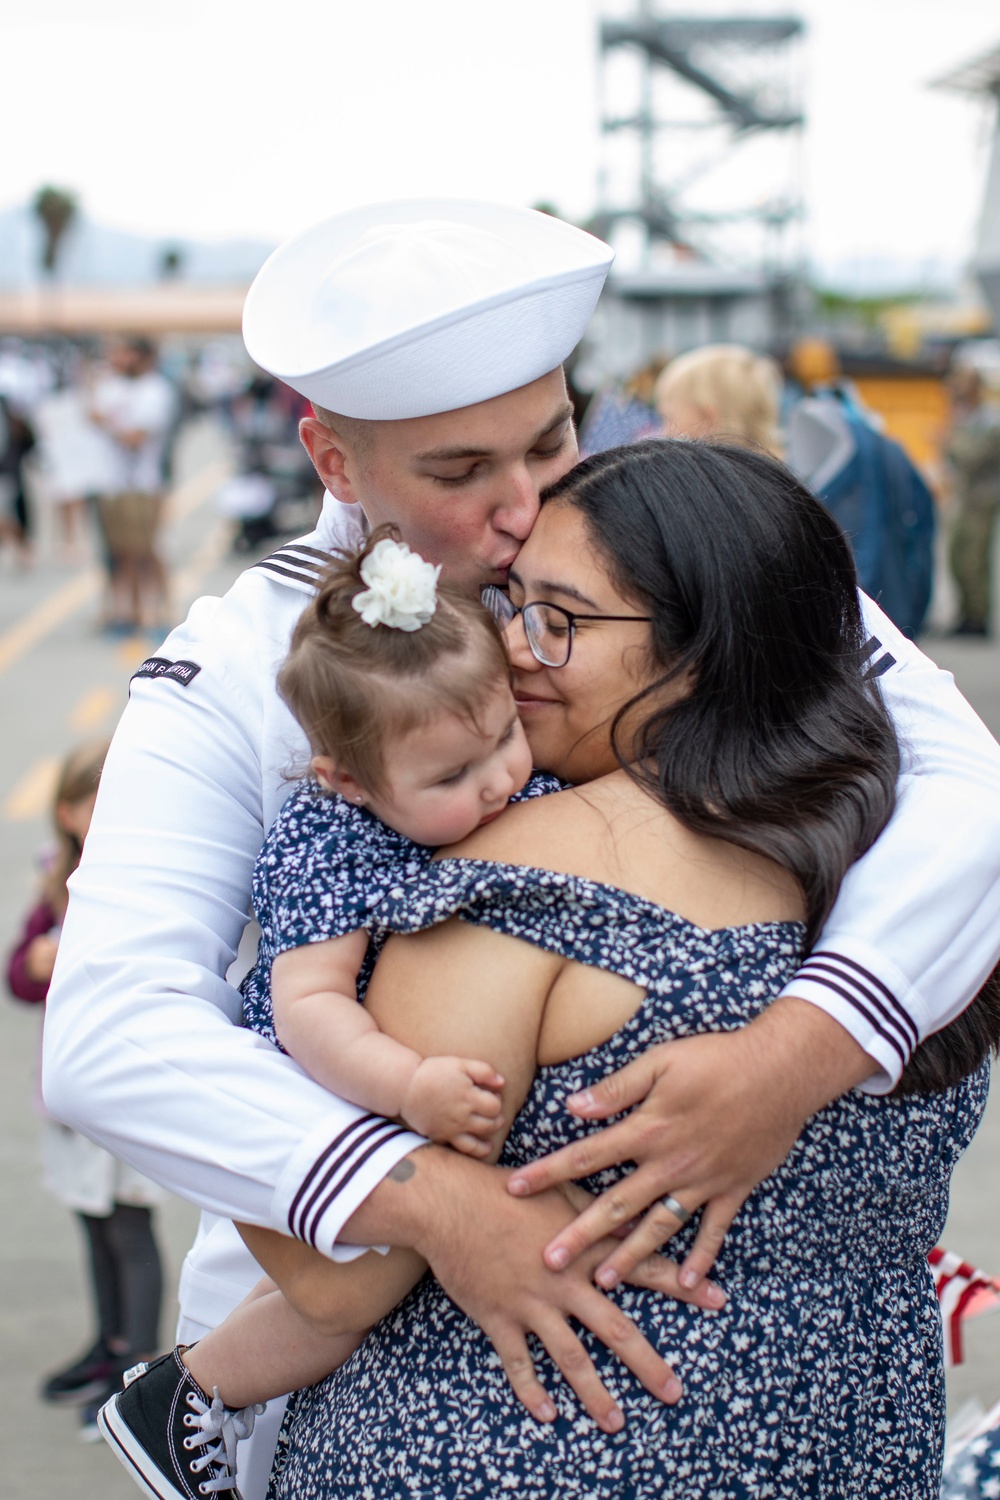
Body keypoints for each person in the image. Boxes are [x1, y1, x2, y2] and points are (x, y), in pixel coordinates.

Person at [42, 203, 1000, 1499]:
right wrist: (438, 1206)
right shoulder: (235, 671)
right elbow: (111, 1035)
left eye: (549, 441)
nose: (521, 507)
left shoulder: (641, 546)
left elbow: (965, 781)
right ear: (331, 455)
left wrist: (790, 1060)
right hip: (350, 1297)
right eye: (456, 471)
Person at [189, 440, 995, 1495]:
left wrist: (256, 1034)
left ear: (701, 646)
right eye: (510, 605)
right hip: (850, 1446)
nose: (511, 651)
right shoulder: (909, 864)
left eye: (558, 621)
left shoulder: (526, 879)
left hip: (506, 1453)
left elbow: (335, 1288)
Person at [6, 740, 164, 1440]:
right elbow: (17, 977)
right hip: (68, 1094)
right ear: (67, 814)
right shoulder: (55, 881)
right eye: (94, 802)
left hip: (122, 1088)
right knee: (92, 1223)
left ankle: (138, 1368)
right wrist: (36, 964)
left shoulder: (141, 881)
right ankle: (106, 1346)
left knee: (130, 1229)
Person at [89, 336, 177, 633]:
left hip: (143, 484)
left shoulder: (155, 390)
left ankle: (157, 610)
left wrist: (108, 423)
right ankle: (125, 611)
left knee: (146, 550)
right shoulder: (109, 386)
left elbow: (135, 437)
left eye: (125, 352)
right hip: (111, 483)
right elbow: (92, 414)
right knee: (118, 551)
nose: (118, 359)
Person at [945, 364, 1000, 637]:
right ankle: (965, 613)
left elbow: (971, 457)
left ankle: (978, 619)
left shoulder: (990, 421)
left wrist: (950, 440)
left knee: (974, 559)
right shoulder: (965, 416)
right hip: (965, 497)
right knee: (957, 556)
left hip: (982, 499)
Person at [653, 343, 783, 456]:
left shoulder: (699, 482)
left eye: (668, 418)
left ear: (707, 420)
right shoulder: (779, 477)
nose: (663, 431)